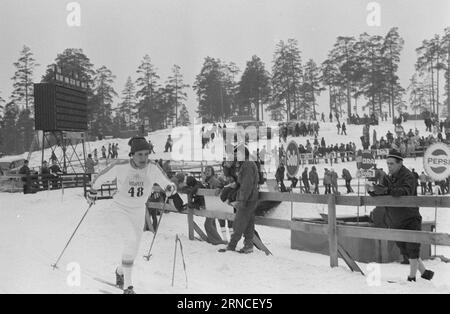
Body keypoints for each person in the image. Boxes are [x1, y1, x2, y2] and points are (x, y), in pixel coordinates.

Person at [88, 137, 177, 294]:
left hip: (138, 210)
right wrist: (93, 192)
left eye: (146, 154)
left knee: (133, 249)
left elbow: (168, 183)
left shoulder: (152, 167)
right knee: (130, 240)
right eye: (140, 154)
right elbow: (100, 177)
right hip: (120, 209)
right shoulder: (120, 166)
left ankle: (120, 271)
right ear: (132, 154)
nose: (143, 158)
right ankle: (128, 287)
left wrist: (170, 188)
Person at [366, 149, 434, 282]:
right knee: (405, 249)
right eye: (387, 164)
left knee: (412, 248)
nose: (389, 166)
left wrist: (385, 190)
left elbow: (405, 192)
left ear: (399, 163)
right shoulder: (387, 177)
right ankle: (425, 273)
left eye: (391, 164)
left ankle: (412, 277)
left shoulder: (409, 176)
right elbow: (382, 191)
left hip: (410, 217)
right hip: (395, 218)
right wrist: (372, 191)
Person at [220, 145, 259, 254]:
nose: (235, 156)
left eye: (237, 153)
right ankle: (248, 245)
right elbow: (243, 182)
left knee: (239, 222)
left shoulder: (247, 165)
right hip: (250, 198)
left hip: (247, 199)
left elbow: (246, 185)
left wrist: (241, 200)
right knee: (248, 223)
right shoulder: (244, 165)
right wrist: (235, 184)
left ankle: (232, 246)